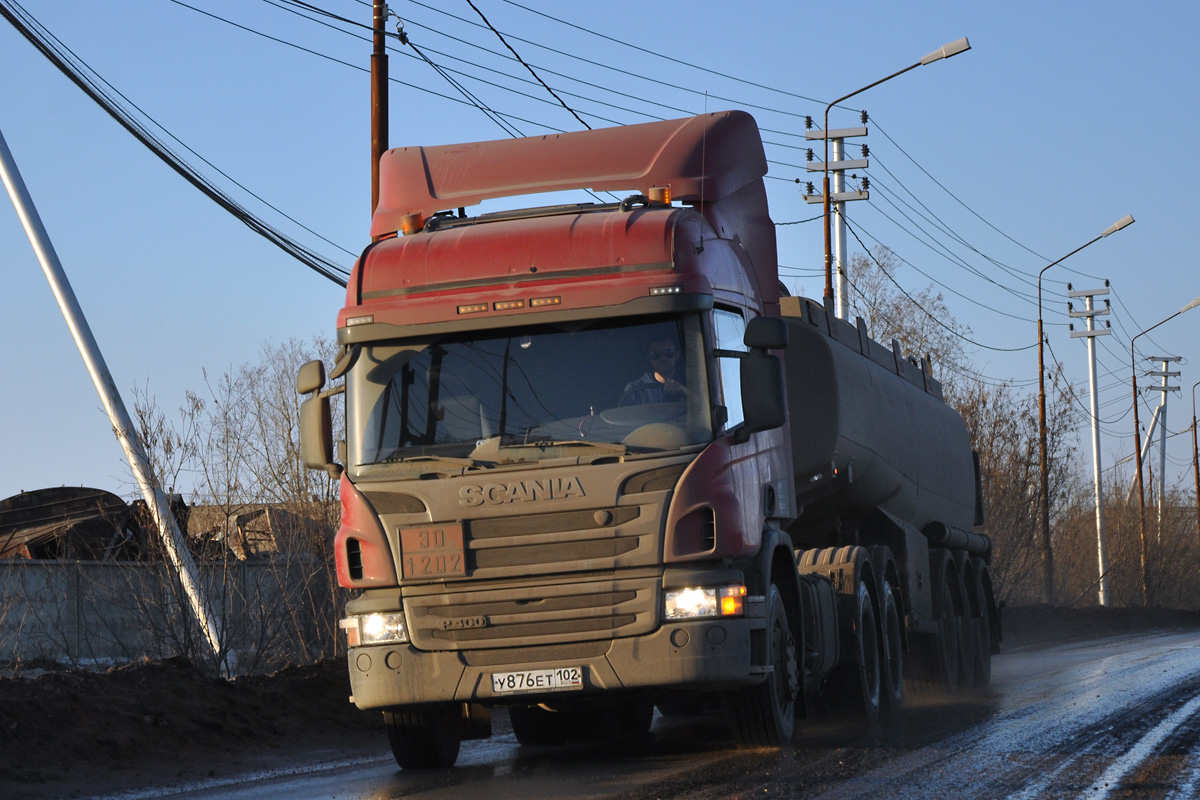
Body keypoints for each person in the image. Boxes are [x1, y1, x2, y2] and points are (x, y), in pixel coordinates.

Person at [621, 336, 687, 405]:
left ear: (677, 355)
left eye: (668, 353)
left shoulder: (692, 384)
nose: (663, 358)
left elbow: (698, 405)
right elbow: (622, 415)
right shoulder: (633, 390)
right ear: (649, 358)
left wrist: (683, 390)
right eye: (656, 354)